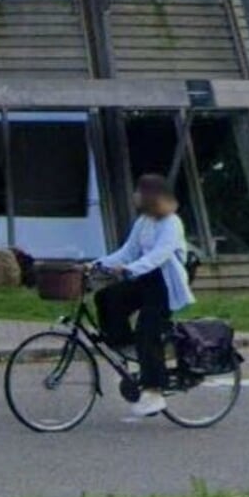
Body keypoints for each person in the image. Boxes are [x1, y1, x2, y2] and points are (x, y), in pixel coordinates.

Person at [93, 174, 196, 418]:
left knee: (148, 330)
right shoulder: (144, 221)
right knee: (107, 299)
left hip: (166, 283)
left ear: (152, 195)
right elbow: (127, 251)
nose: (135, 195)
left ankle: (154, 391)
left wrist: (130, 270)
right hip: (145, 278)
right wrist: (95, 264)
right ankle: (125, 346)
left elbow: (159, 255)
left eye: (139, 191)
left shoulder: (172, 223)